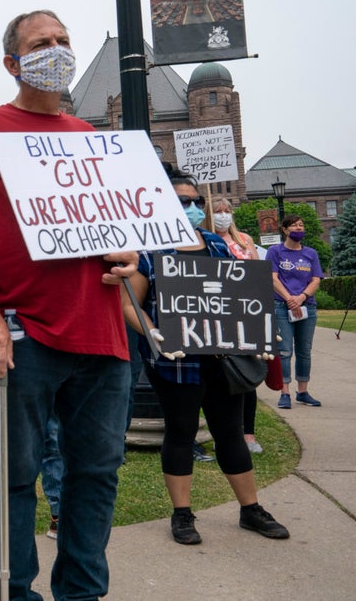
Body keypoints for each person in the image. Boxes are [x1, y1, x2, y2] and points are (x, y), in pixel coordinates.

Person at [0, 10, 136, 601]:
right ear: (12, 62)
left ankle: (81, 590)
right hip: (25, 336)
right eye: (40, 44)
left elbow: (121, 233)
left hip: (102, 338)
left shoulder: (93, 139)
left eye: (62, 41)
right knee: (13, 473)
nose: (55, 51)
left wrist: (129, 257)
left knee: (95, 474)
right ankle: (13, 591)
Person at [121, 165, 289, 546]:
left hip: (221, 359)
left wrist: (258, 331)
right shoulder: (150, 251)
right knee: (180, 433)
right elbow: (128, 302)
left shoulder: (215, 244)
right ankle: (182, 515)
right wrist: (153, 333)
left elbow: (239, 295)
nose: (194, 207)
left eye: (197, 201)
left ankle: (251, 509)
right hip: (176, 361)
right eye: (185, 202)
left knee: (229, 431)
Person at [207, 198, 264, 453]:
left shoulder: (244, 240)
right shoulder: (205, 240)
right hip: (216, 316)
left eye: (227, 211)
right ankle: (223, 431)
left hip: (245, 314)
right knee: (219, 374)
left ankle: (248, 433)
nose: (223, 216)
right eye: (218, 212)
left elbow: (257, 275)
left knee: (246, 372)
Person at [267, 214, 324, 409]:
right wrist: (289, 299)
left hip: (307, 306)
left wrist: (301, 298)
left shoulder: (311, 253)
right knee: (284, 351)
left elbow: (316, 279)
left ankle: (303, 391)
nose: (299, 229)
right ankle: (284, 393)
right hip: (282, 306)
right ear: (285, 229)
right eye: (294, 226)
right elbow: (272, 278)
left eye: (301, 225)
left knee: (304, 351)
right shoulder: (275, 251)